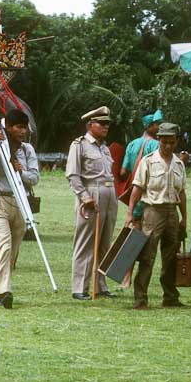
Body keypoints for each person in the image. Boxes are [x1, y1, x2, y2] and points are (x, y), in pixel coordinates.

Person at [0, 109, 39, 309]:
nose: (22, 131)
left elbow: (35, 178)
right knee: (3, 246)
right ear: (8, 128)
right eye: (18, 127)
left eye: (24, 127)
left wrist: (20, 171)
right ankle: (5, 292)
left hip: (20, 201)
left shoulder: (27, 150)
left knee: (12, 252)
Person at [125, 122, 188, 309]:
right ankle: (141, 299)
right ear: (158, 140)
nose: (168, 146)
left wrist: (184, 217)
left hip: (172, 212)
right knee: (147, 256)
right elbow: (136, 189)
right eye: (164, 142)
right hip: (152, 211)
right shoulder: (148, 161)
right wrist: (130, 213)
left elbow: (182, 192)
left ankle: (170, 297)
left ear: (176, 141)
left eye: (172, 142)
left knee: (171, 257)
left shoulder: (178, 163)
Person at [66, 106, 118, 300]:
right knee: (86, 242)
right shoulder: (79, 145)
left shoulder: (104, 147)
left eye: (108, 123)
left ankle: (100, 285)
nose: (106, 127)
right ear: (90, 125)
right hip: (92, 192)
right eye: (102, 123)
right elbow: (72, 175)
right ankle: (79, 287)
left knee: (105, 242)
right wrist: (84, 196)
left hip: (109, 192)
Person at [120, 109, 163, 221]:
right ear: (149, 126)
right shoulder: (157, 145)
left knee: (136, 228)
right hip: (152, 195)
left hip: (135, 193)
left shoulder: (132, 144)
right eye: (157, 124)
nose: (159, 127)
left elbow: (123, 172)